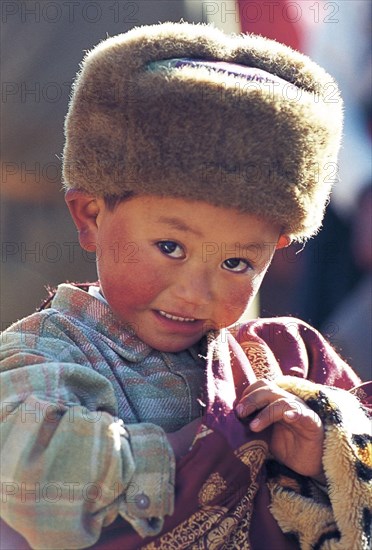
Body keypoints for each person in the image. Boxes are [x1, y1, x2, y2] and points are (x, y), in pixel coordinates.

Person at [0, 22, 371, 550]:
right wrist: (235, 444)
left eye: (238, 262)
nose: (197, 292)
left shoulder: (287, 361)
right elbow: (39, 481)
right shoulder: (44, 358)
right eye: (170, 248)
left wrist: (321, 455)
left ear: (278, 249)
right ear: (90, 216)